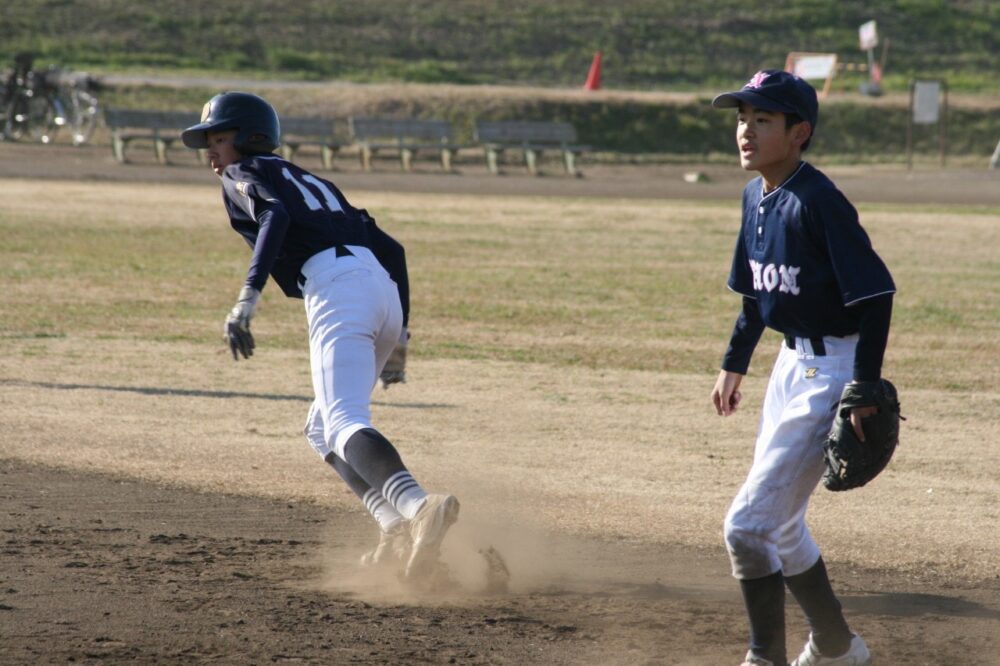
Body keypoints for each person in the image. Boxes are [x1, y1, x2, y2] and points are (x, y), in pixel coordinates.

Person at [181, 92, 459, 581]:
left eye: (218, 138)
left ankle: (418, 507)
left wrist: (248, 297)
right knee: (320, 427)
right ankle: (394, 525)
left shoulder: (241, 173)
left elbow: (274, 217)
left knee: (345, 420)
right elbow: (391, 248)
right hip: (380, 290)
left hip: (337, 289)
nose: (210, 151)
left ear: (248, 139)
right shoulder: (313, 180)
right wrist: (401, 337)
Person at [709, 71, 894, 666]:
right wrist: (734, 364)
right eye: (742, 119)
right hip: (790, 365)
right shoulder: (754, 196)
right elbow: (755, 295)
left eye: (762, 120)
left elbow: (875, 295)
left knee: (747, 525)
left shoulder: (819, 202)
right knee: (782, 527)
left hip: (833, 369)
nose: (745, 131)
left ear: (799, 133)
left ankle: (765, 657)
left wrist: (863, 386)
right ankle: (837, 647)